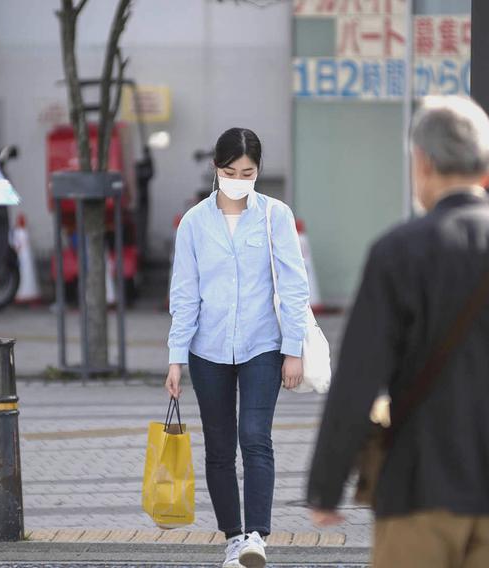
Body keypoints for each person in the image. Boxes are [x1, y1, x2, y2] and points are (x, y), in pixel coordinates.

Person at [306, 96, 489, 568]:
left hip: (416, 490)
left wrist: (327, 486)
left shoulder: (396, 253)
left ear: (423, 163)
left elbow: (357, 379)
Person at [166, 127, 309, 568]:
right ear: (216, 169)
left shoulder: (275, 216)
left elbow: (294, 285)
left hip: (262, 345)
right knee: (219, 447)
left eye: (247, 172)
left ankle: (256, 537)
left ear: (258, 171)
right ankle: (232, 538)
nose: (238, 179)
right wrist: (175, 358)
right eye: (230, 171)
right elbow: (184, 294)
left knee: (255, 437)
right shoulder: (194, 222)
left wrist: (294, 348)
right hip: (206, 350)